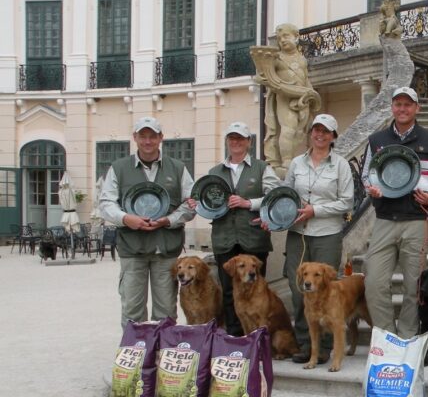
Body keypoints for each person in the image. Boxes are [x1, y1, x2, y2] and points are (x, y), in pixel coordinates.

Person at [361, 86, 428, 337]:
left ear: (416, 108)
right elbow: (366, 173)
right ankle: (387, 335)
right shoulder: (376, 140)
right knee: (374, 281)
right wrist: (371, 188)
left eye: (408, 104)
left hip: (417, 220)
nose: (402, 109)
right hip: (385, 218)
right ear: (392, 108)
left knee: (414, 285)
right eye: (398, 104)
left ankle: (409, 337)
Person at [98, 116, 196, 327]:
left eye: (153, 136)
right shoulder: (119, 167)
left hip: (166, 249)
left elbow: (191, 204)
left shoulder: (178, 168)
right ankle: (136, 354)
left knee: (166, 309)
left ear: (161, 138)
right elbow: (106, 203)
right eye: (143, 136)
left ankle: (162, 353)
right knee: (132, 308)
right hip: (132, 249)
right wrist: (126, 218)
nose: (148, 141)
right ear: (135, 138)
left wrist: (168, 221)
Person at [281, 113, 354, 363]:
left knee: (327, 289)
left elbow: (347, 202)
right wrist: (286, 211)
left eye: (326, 131)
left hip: (327, 234)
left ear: (333, 136)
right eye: (316, 130)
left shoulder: (341, 164)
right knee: (297, 287)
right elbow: (285, 194)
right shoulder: (296, 164)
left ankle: (324, 348)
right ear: (311, 133)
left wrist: (316, 210)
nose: (320, 135)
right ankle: (305, 344)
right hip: (298, 234)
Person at [204, 121, 281, 336]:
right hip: (224, 238)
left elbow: (275, 196)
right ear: (227, 141)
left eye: (240, 138)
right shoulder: (214, 172)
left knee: (257, 290)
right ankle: (234, 338)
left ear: (249, 141)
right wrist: (198, 203)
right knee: (228, 292)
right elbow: (205, 202)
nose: (236, 142)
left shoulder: (262, 168)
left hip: (253, 238)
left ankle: (258, 339)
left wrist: (249, 203)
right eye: (232, 138)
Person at [254, 22, 322, 177]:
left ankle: (294, 157)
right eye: (279, 38)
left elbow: (305, 79)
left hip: (302, 99)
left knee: (300, 132)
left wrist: (311, 93)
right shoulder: (277, 58)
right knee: (288, 129)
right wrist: (265, 78)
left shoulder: (302, 59)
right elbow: (260, 76)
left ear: (296, 37)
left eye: (286, 36)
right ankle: (285, 161)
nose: (282, 40)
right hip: (284, 98)